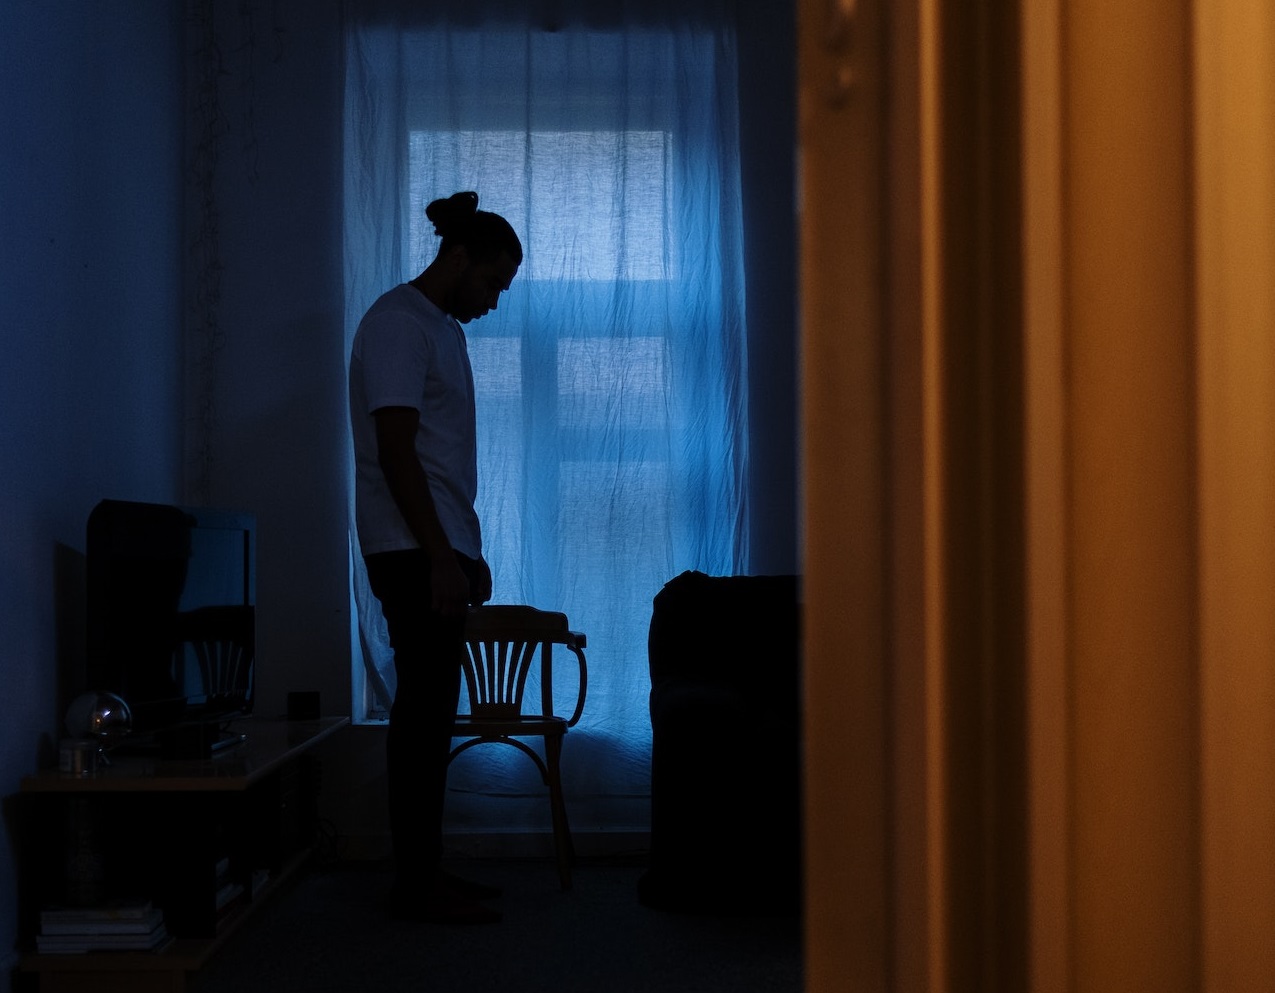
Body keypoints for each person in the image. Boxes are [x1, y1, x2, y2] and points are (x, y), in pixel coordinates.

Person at [348, 191, 521, 924]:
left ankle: (425, 872)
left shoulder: (440, 329)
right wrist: (441, 558)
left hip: (434, 545)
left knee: (431, 714)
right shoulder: (398, 323)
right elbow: (395, 451)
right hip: (412, 550)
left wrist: (464, 552)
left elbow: (437, 457)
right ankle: (415, 885)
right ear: (458, 260)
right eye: (492, 283)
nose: (494, 300)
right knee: (422, 716)